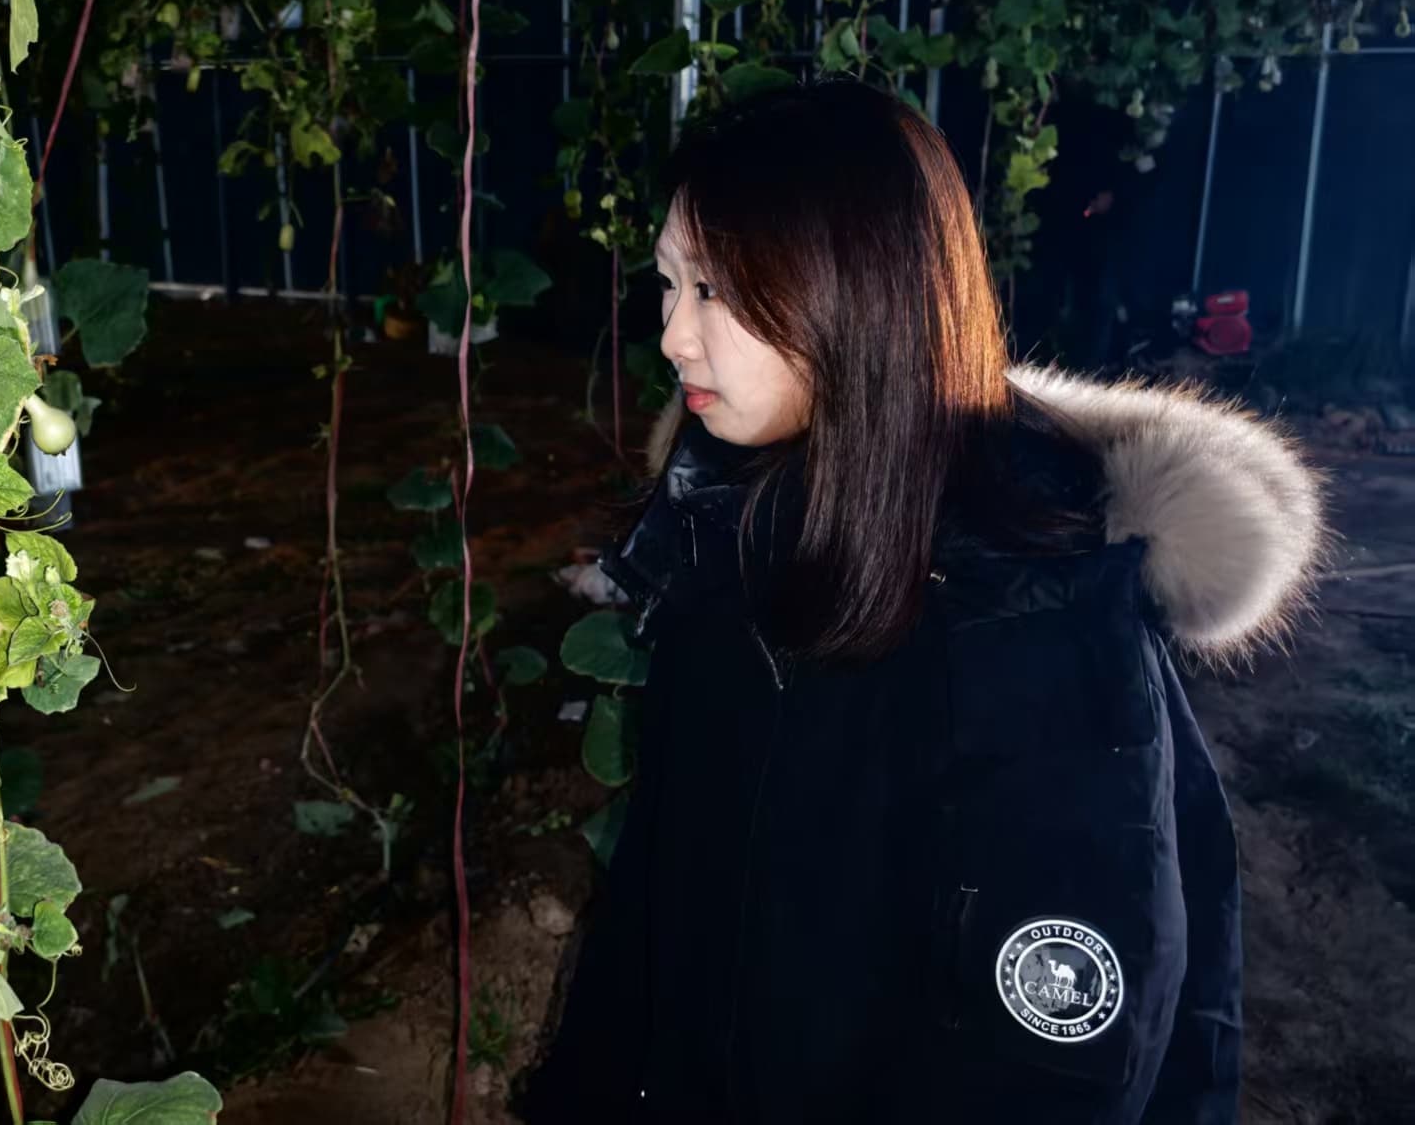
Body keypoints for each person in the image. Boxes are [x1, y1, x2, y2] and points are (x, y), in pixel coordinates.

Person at [520, 81, 1326, 1123]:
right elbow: (658, 900)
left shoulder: (1032, 620)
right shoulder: (725, 533)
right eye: (669, 285)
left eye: (714, 290)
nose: (673, 336)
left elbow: (1058, 1059)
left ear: (856, 294)